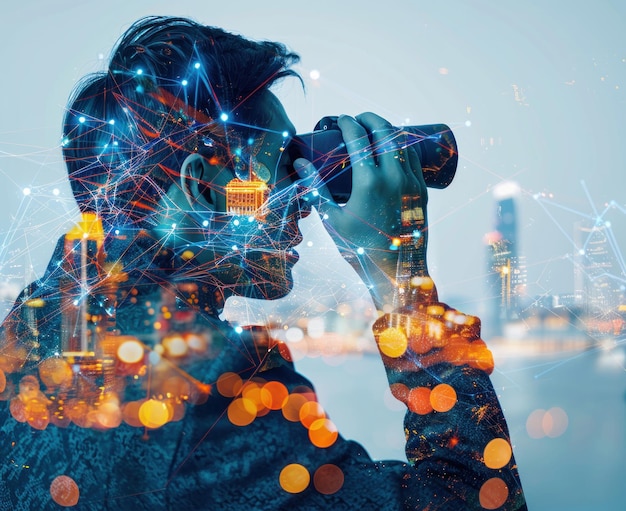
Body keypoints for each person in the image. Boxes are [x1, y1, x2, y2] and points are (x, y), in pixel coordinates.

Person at [0, 16, 526, 510]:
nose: (305, 198)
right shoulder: (204, 388)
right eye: (287, 168)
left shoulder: (32, 326)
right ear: (202, 186)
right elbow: (476, 498)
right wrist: (404, 287)